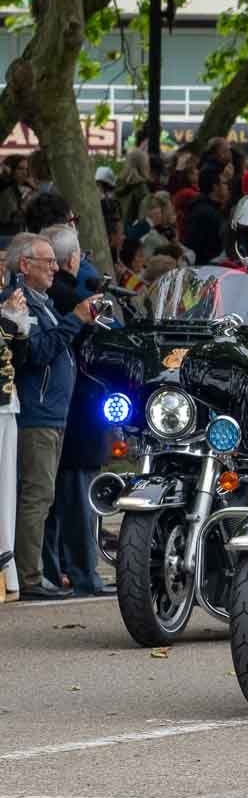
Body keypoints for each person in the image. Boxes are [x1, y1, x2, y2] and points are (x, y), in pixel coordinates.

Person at [9, 234, 100, 599]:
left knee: (43, 496)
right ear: (24, 265)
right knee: (37, 495)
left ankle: (36, 571)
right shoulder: (20, 303)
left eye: (54, 260)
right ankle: (29, 577)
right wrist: (75, 319)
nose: (54, 267)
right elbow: (36, 352)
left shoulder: (42, 301)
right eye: (46, 261)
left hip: (53, 413)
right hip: (38, 413)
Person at [1, 278, 29, 599]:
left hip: (7, 403)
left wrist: (19, 326)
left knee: (6, 492)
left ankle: (7, 574)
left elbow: (17, 359)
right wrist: (9, 320)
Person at [186, 165, 229, 265]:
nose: (227, 187)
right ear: (215, 187)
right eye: (224, 183)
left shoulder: (210, 209)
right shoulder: (206, 214)